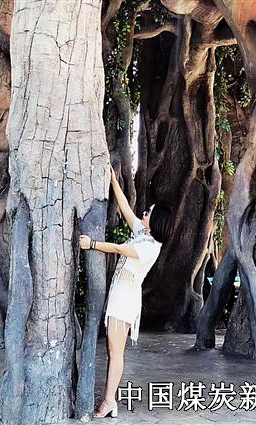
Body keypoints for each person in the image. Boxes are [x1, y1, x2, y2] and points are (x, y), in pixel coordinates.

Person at [79, 166, 174, 419]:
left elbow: (120, 249)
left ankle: (109, 400)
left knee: (116, 352)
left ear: (156, 221)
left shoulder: (151, 247)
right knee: (112, 351)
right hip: (119, 293)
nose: (145, 213)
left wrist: (92, 244)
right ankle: (110, 400)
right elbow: (125, 209)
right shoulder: (143, 233)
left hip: (125, 299)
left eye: (149, 212)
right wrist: (113, 180)